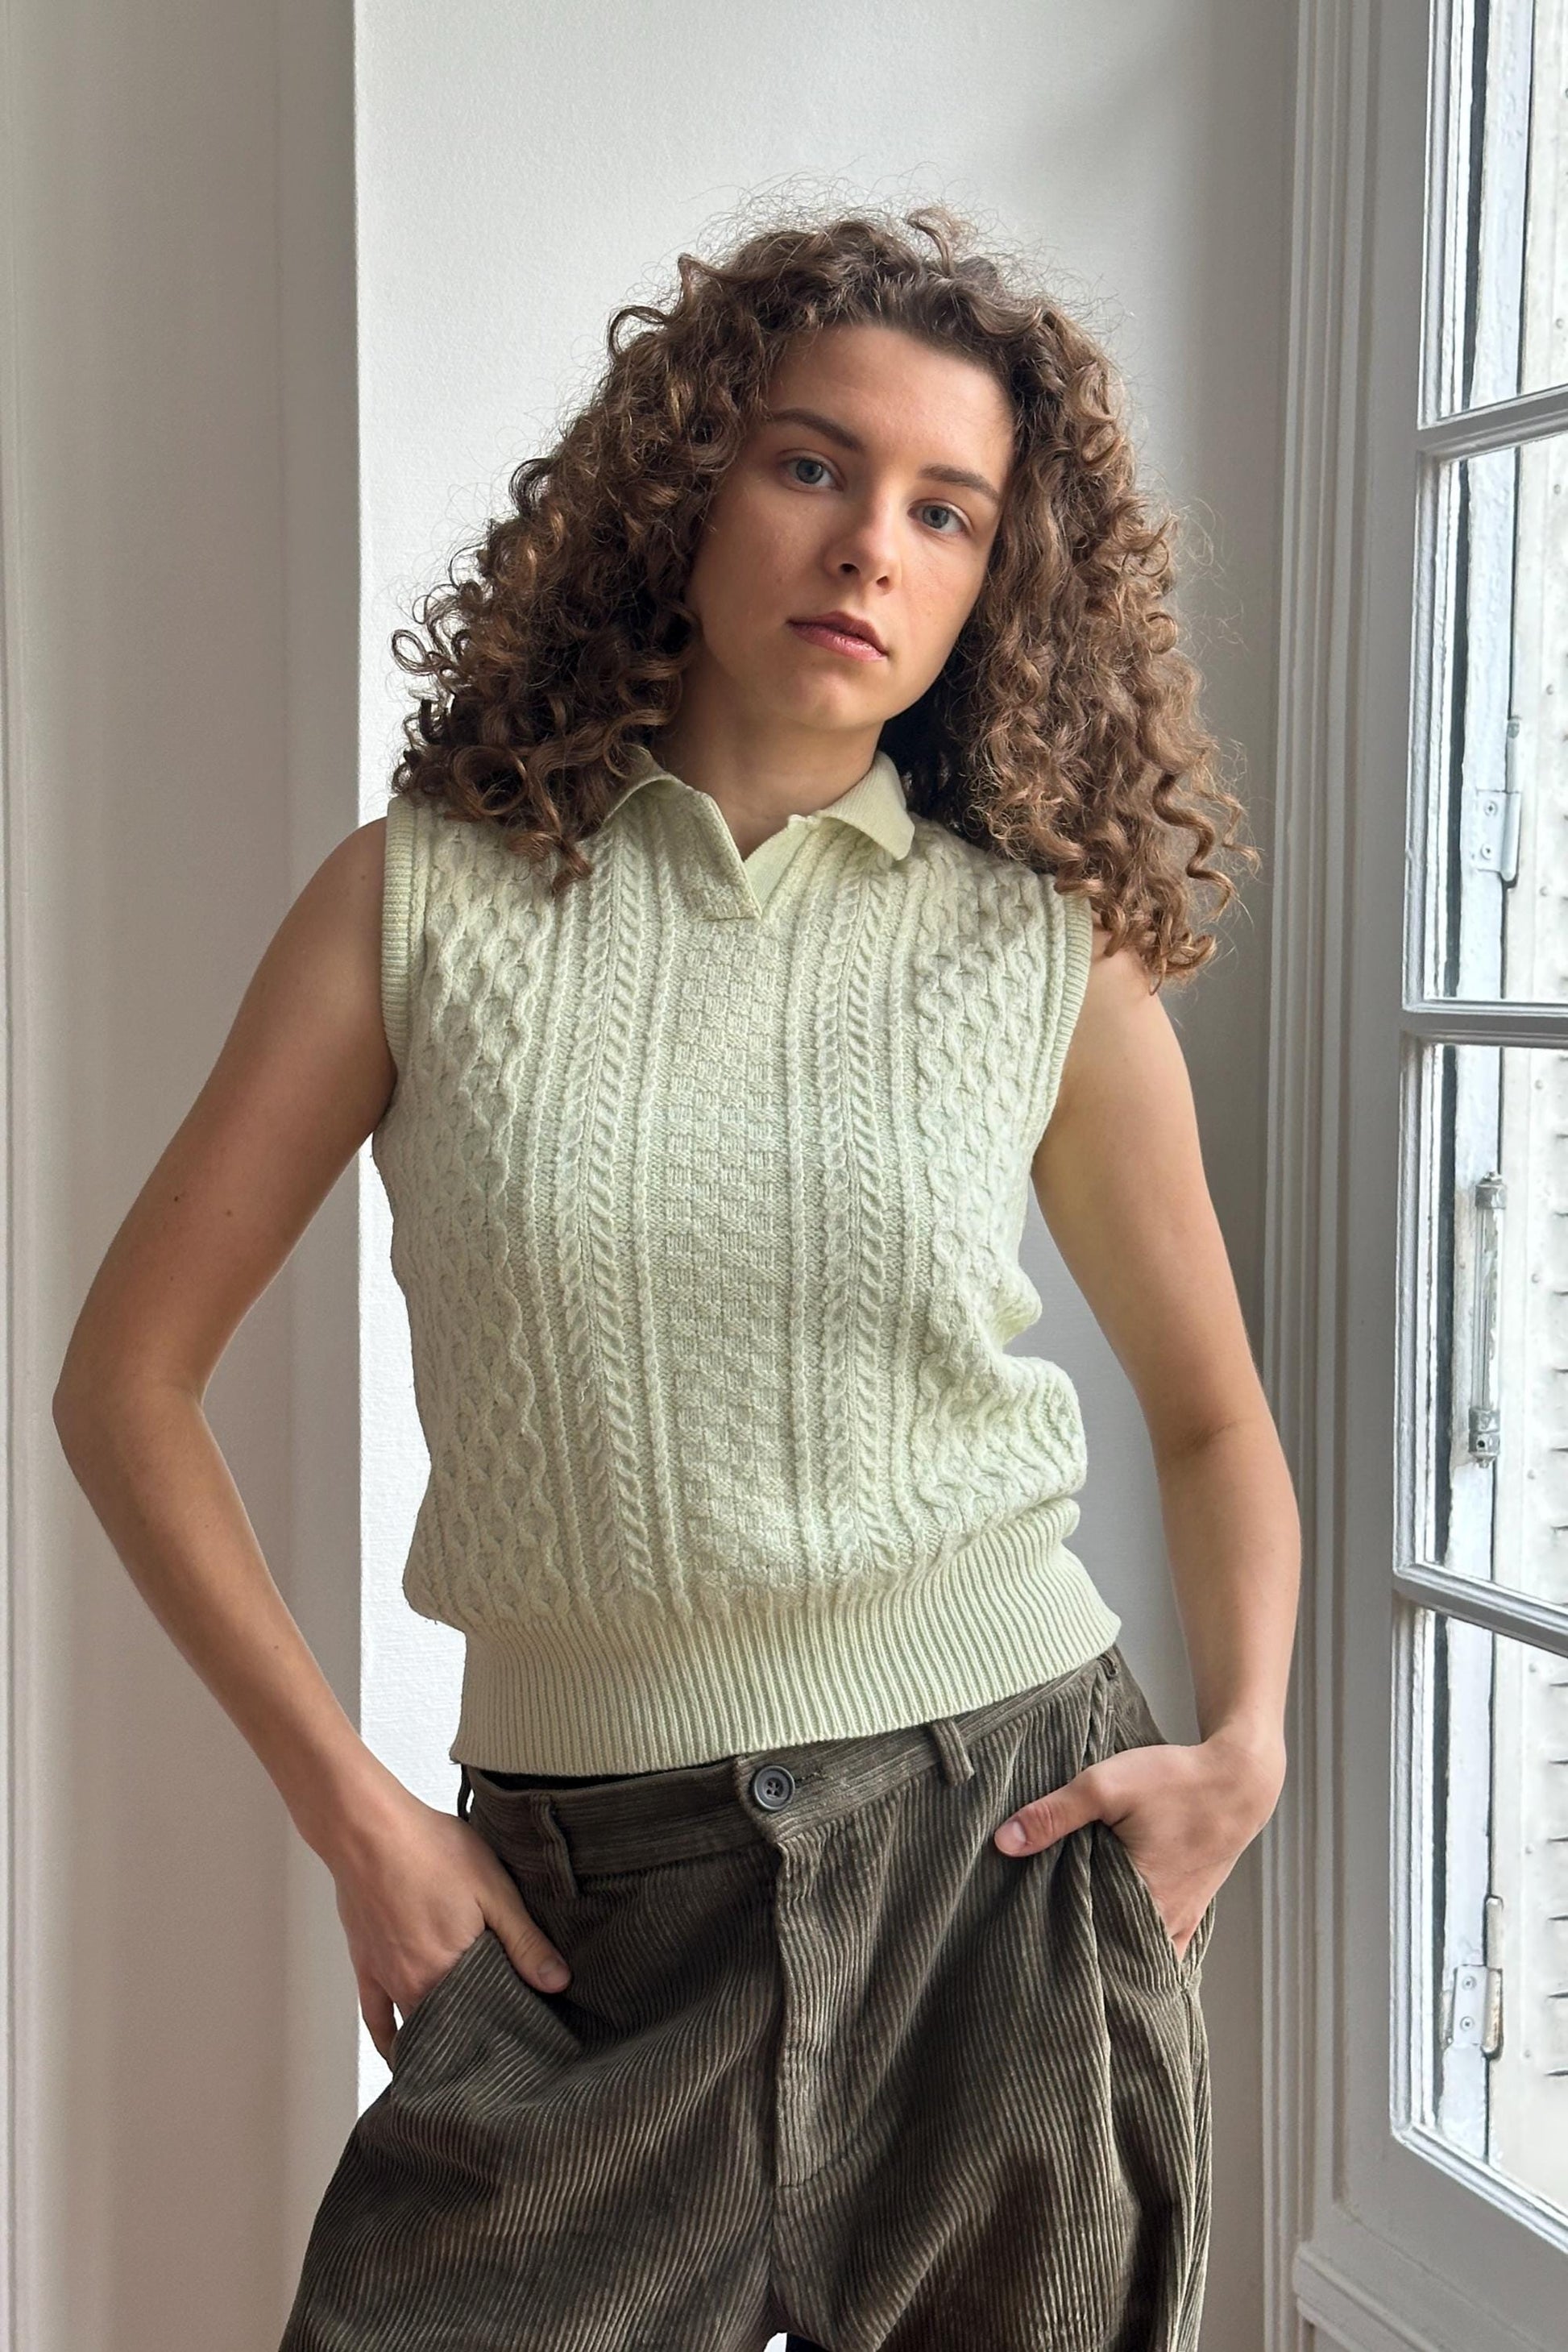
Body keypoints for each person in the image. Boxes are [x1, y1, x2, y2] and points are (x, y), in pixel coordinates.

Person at [53, 201, 1299, 2351]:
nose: (867, 550)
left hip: (990, 1872)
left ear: (999, 580)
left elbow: (1208, 1416)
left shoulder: (1041, 953)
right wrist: (353, 1816)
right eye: (812, 467)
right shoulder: (419, 905)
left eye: (944, 509)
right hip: (575, 1921)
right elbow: (123, 1383)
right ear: (685, 487)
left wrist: (1248, 1747)